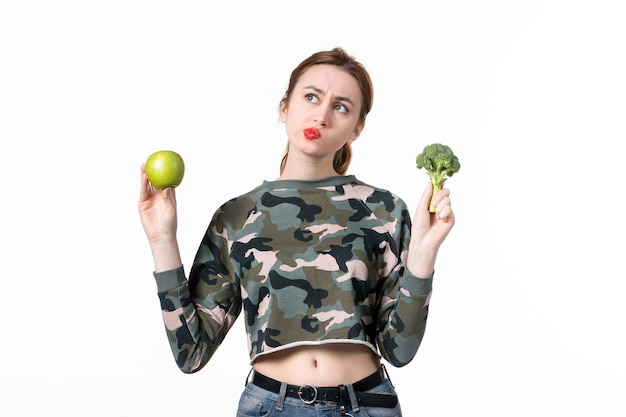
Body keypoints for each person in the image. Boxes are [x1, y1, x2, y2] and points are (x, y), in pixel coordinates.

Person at [138, 47, 455, 416]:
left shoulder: (385, 210)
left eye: (341, 106)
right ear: (285, 106)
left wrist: (424, 256)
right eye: (311, 97)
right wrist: (162, 241)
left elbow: (399, 350)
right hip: (271, 406)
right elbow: (190, 353)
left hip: (367, 405)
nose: (321, 115)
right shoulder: (236, 215)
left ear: (357, 128)